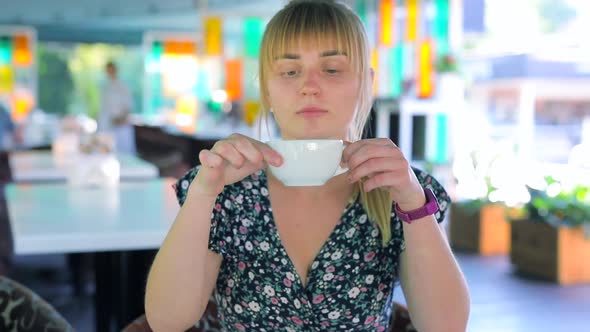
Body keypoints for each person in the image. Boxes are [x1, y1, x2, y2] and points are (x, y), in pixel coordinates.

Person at [145, 1, 470, 331]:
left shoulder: (399, 191)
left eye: (332, 69)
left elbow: (446, 326)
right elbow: (166, 321)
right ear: (267, 90)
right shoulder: (228, 190)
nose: (309, 86)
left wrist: (414, 204)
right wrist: (203, 192)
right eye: (289, 71)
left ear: (366, 83)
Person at [98, 61, 136, 154]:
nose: (109, 72)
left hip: (121, 126)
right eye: (108, 70)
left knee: (125, 153)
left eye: (111, 70)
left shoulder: (123, 86)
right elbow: (103, 108)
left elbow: (128, 107)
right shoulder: (105, 88)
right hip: (108, 126)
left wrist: (120, 120)